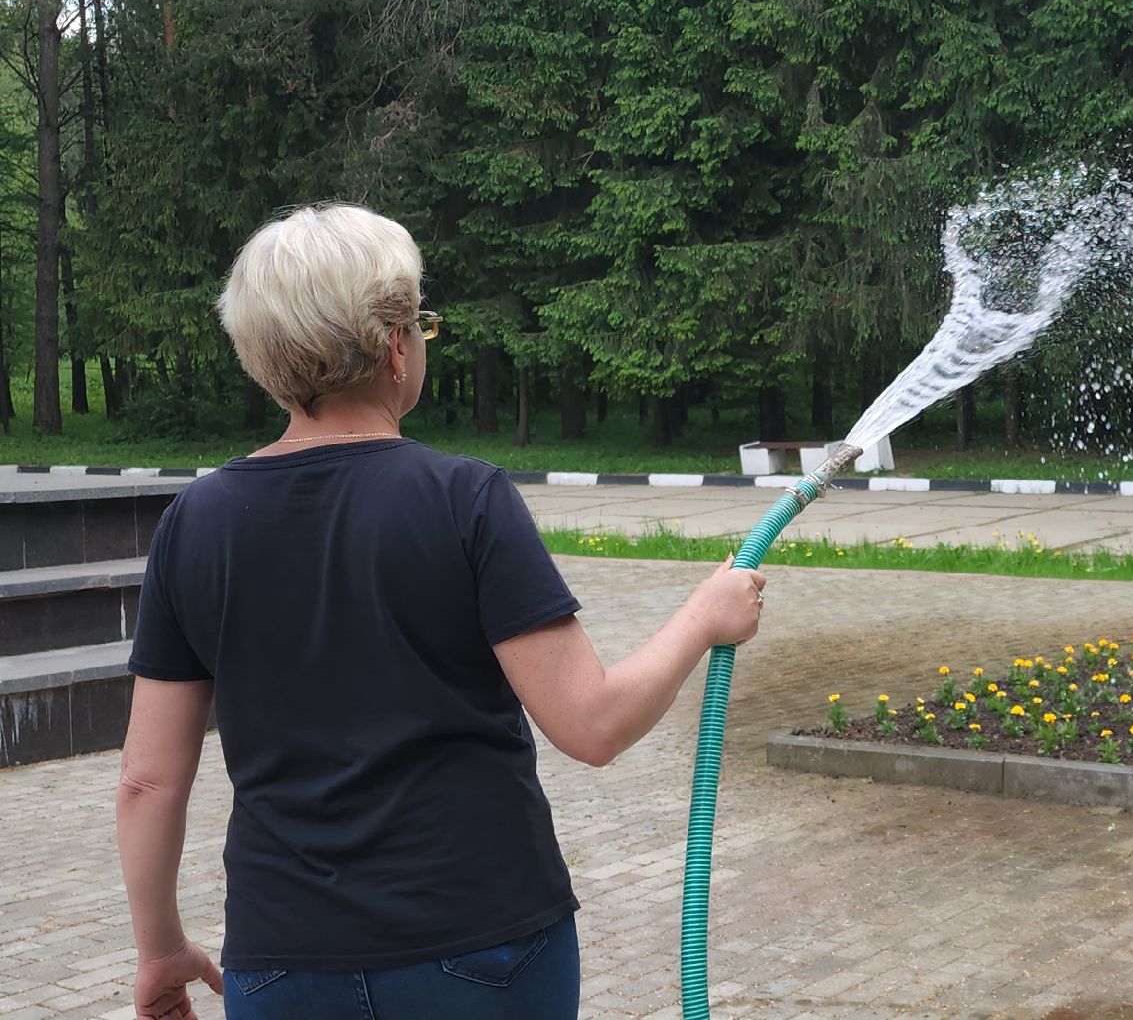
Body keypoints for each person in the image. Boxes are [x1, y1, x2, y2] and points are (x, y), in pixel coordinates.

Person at [115, 203, 766, 1020]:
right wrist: (703, 618)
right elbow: (592, 725)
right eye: (421, 322)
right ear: (395, 347)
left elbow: (147, 780)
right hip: (480, 945)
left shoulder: (194, 522)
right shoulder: (467, 499)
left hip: (284, 963)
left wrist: (161, 948)